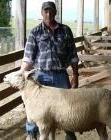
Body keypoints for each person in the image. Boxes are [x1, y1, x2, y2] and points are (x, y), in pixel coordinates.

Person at [20, 1, 79, 140]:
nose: (48, 14)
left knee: (67, 107)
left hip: (60, 75)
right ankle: (32, 134)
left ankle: (70, 135)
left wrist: (76, 75)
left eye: (51, 11)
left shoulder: (66, 30)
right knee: (34, 106)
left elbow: (73, 56)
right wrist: (21, 74)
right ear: (42, 13)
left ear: (55, 12)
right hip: (41, 75)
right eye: (46, 11)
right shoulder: (35, 32)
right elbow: (28, 57)